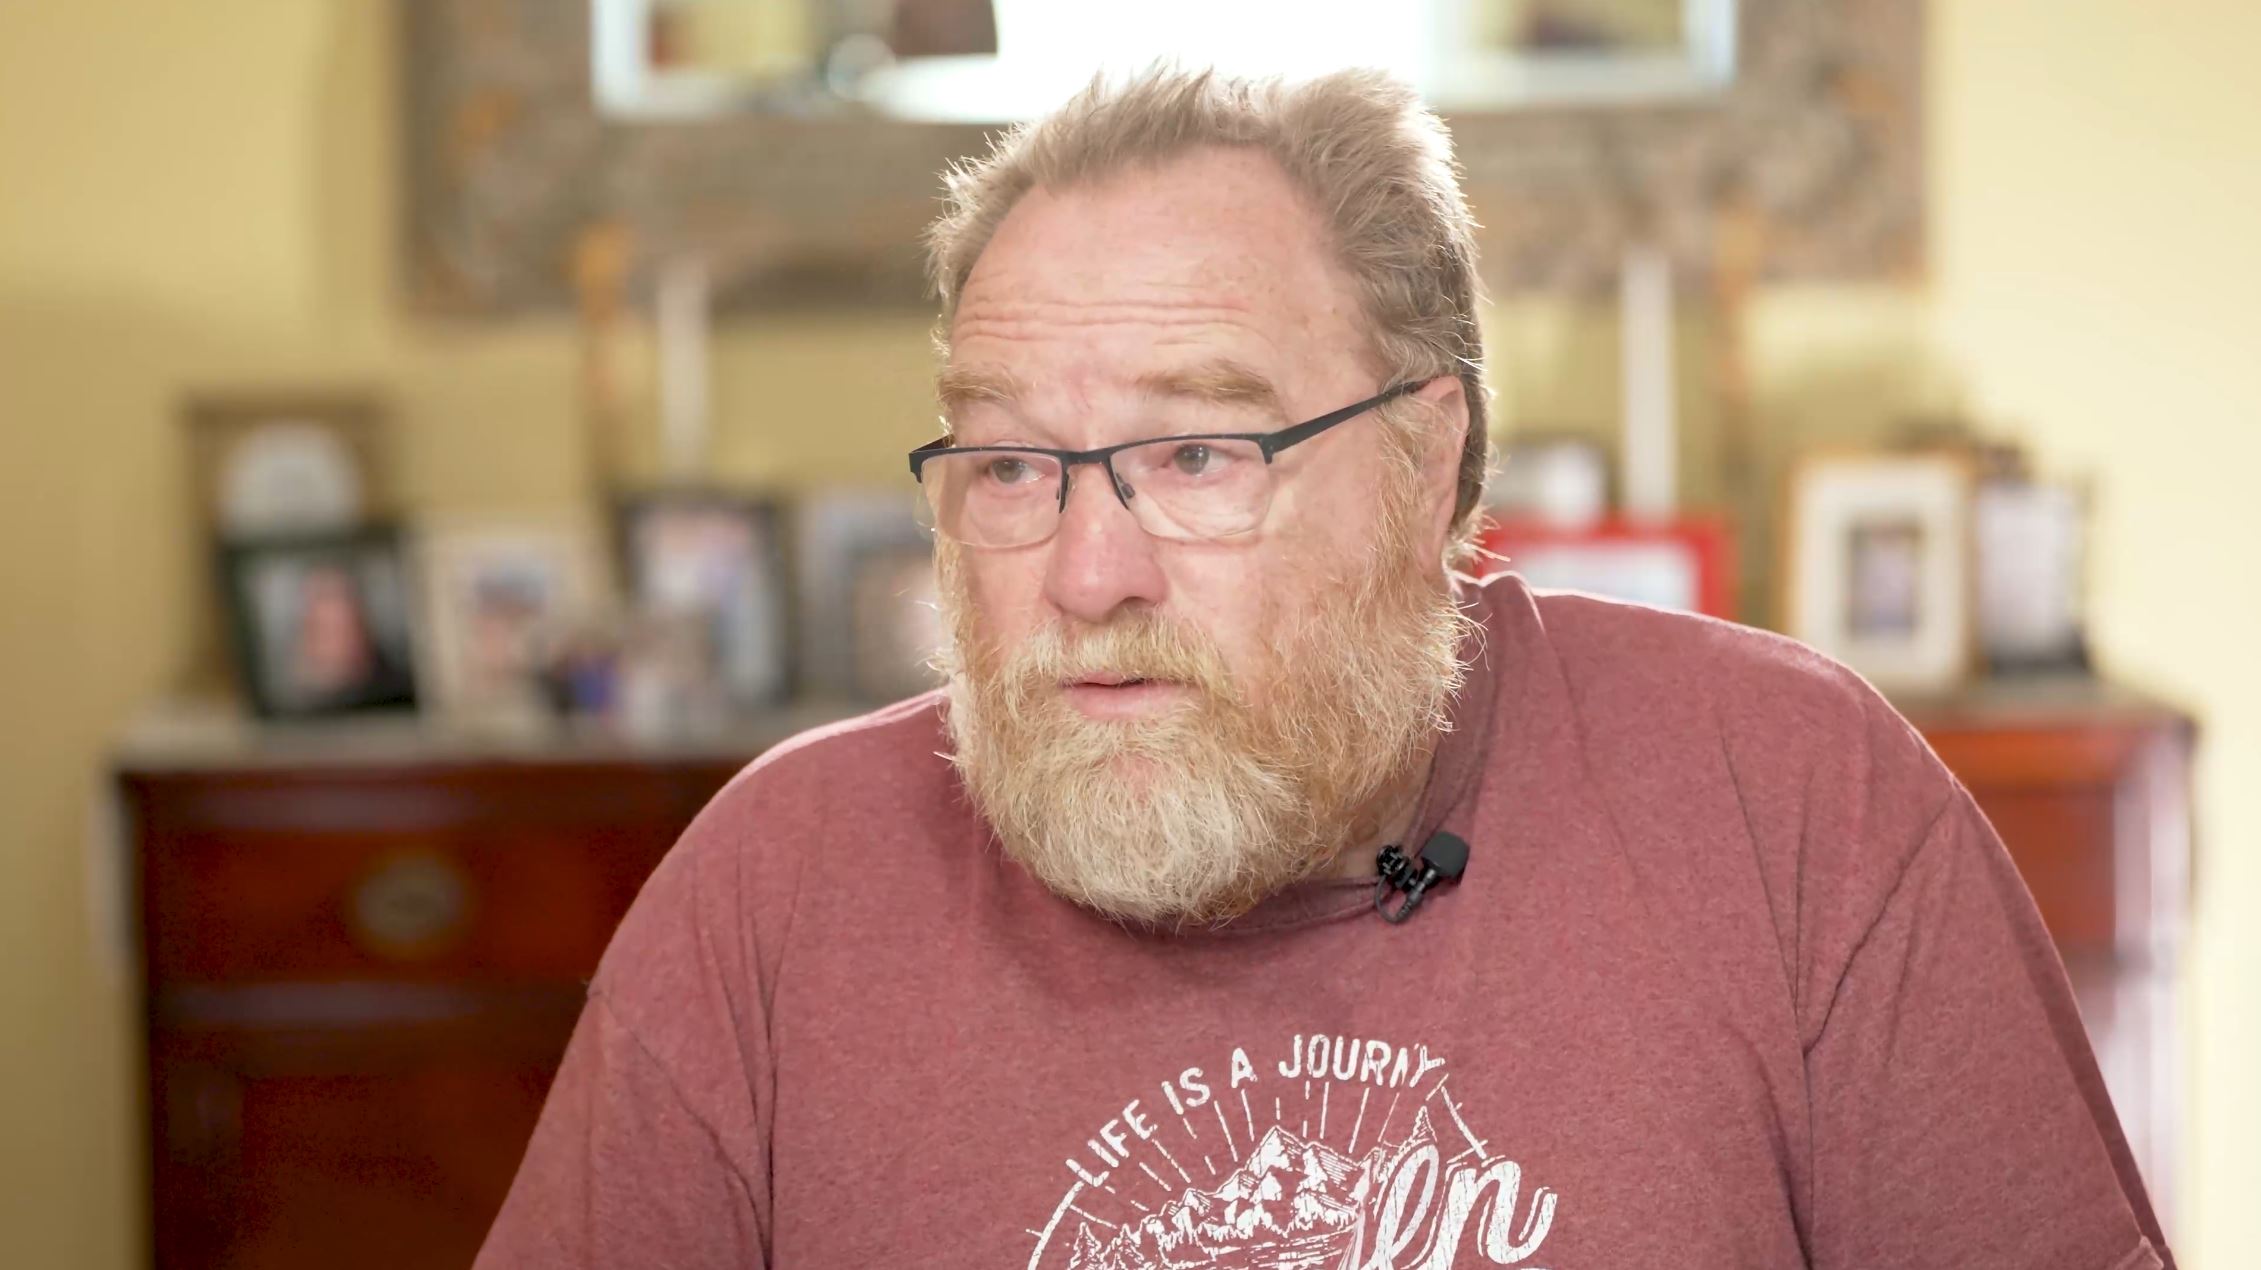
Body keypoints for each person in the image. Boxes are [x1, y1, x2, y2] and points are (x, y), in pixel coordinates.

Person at [477, 67, 2170, 1269]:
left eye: (1198, 454)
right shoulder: (776, 885)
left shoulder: (1788, 795)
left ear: (1429, 463)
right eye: (1008, 464)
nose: (1086, 572)